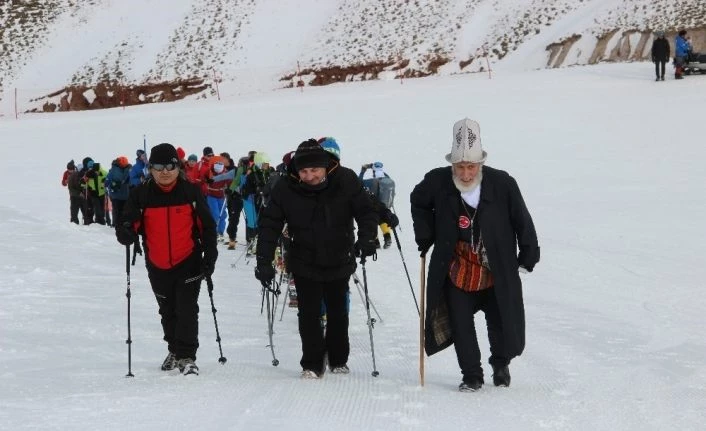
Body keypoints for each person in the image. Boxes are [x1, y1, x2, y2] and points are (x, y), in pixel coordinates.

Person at [410, 118, 540, 392]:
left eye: (471, 167)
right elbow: (418, 201)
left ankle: (500, 363)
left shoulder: (502, 183)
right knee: (460, 324)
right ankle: (471, 375)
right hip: (457, 269)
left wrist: (528, 253)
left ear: (480, 164)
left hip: (495, 269)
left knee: (501, 322)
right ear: (452, 165)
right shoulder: (437, 181)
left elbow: (522, 220)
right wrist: (425, 234)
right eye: (460, 167)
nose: (466, 173)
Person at [254, 139, 378, 378]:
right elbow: (269, 225)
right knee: (308, 314)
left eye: (314, 170)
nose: (309, 176)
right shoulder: (285, 187)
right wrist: (264, 260)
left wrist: (367, 238)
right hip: (303, 259)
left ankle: (338, 359)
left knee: (338, 312)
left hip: (339, 256)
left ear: (325, 167)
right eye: (303, 171)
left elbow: (365, 210)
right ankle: (311, 364)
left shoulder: (345, 179)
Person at [116, 143, 218, 376]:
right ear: (150, 168)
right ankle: (174, 349)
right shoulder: (140, 194)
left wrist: (210, 256)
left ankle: (187, 356)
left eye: (170, 166)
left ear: (178, 167)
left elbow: (208, 227)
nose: (165, 171)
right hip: (157, 263)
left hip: (188, 260)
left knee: (187, 309)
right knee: (167, 310)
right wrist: (125, 232)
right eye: (158, 166)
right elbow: (127, 223)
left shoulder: (191, 192)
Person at [359, 161, 396, 249]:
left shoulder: (371, 182)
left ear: (374, 171)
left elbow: (358, 182)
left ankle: (376, 242)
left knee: (373, 221)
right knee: (382, 220)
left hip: (373, 204)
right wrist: (375, 168)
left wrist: (363, 170)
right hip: (384, 205)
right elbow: (386, 178)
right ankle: (387, 236)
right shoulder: (387, 179)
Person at [105, 156, 131, 229]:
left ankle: (116, 224)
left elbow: (106, 182)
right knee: (123, 210)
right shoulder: (129, 170)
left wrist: (112, 184)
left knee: (116, 210)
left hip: (115, 195)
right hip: (125, 194)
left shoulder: (113, 171)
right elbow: (131, 181)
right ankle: (122, 224)